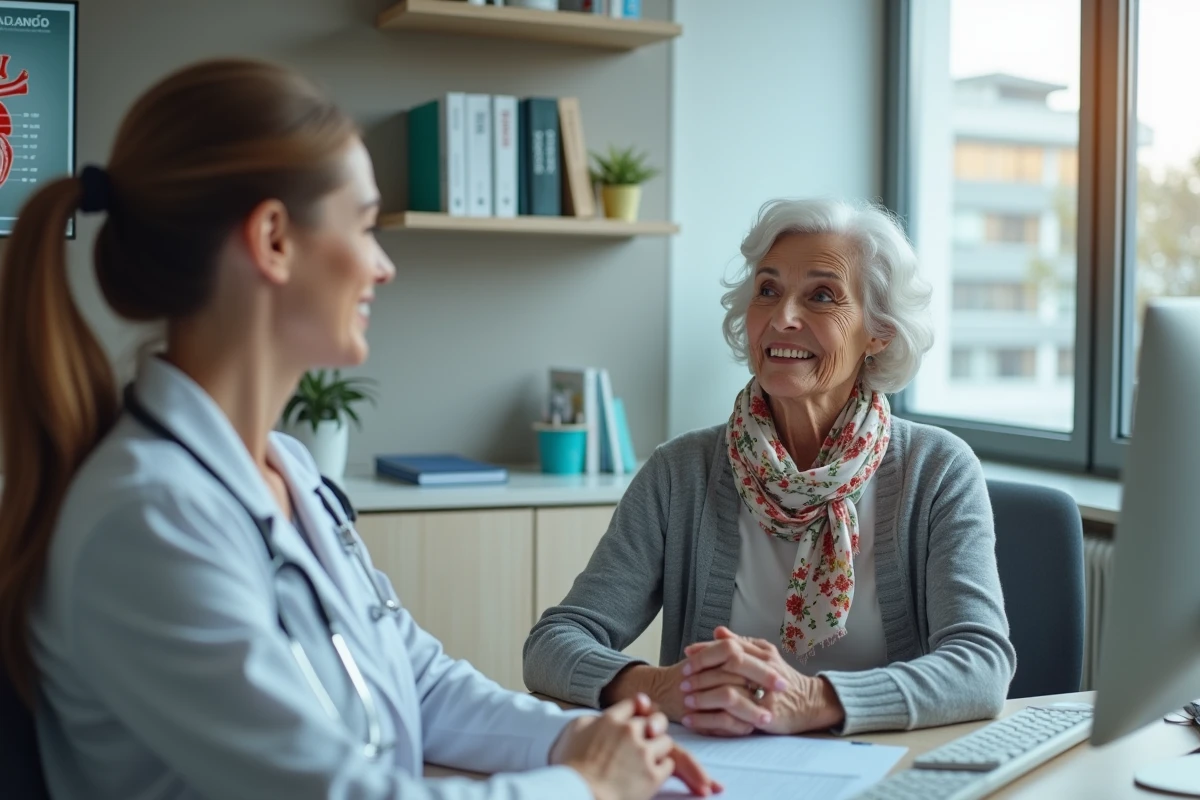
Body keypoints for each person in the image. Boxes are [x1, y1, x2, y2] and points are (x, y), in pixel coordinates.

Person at [0, 59, 719, 800]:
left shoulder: (286, 470)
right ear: (274, 239)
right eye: (366, 225)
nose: (383, 267)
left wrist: (574, 735)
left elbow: (416, 678)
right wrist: (586, 784)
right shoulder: (148, 518)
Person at [524, 198, 1017, 738]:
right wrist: (664, 687)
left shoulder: (937, 470)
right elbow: (553, 644)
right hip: (720, 772)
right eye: (767, 290)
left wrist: (814, 700)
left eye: (822, 295)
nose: (782, 318)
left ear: (878, 332)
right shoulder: (679, 473)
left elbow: (981, 666)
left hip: (885, 772)